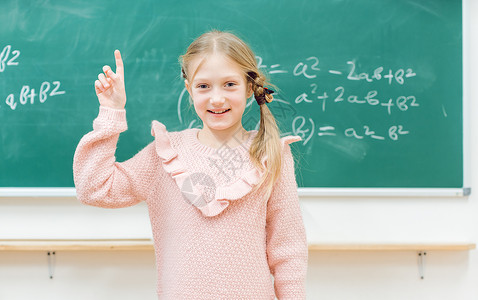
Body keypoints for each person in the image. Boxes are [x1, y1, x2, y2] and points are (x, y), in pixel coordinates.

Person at [73, 30, 308, 299]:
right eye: (204, 86)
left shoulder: (271, 153)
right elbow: (94, 188)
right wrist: (111, 113)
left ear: (249, 87)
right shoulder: (164, 155)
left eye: (230, 84)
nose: (216, 98)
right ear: (189, 89)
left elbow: (288, 249)